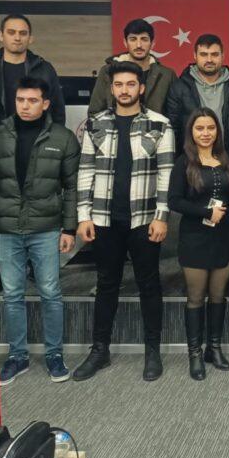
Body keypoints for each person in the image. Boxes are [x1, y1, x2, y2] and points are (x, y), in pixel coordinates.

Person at [72, 62, 174, 383]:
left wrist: (162, 216)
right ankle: (99, 350)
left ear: (141, 88)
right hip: (105, 219)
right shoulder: (95, 124)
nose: (125, 90)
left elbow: (166, 174)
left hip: (144, 220)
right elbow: (85, 171)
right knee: (106, 284)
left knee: (149, 285)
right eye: (119, 85)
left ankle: (152, 351)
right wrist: (83, 216)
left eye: (131, 84)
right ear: (111, 88)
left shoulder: (160, 124)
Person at [0, 77, 79, 385]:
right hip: (6, 228)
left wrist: (69, 228)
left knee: (50, 292)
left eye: (32, 101)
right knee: (12, 294)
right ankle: (17, 356)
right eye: (20, 100)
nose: (25, 106)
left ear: (45, 104)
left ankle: (54, 354)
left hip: (46, 227)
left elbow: (72, 188)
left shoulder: (62, 138)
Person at [0, 14, 67, 295]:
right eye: (11, 32)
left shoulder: (44, 68)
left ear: (30, 37)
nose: (17, 37)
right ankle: (0, 271)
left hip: (37, 149)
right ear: (1, 35)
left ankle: (34, 267)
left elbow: (58, 110)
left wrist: (56, 145)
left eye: (23, 33)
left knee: (37, 208)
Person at [168, 108, 229, 381]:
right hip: (195, 239)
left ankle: (213, 349)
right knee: (196, 297)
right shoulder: (183, 162)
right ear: (191, 132)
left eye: (210, 128)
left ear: (217, 131)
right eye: (200, 128)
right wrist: (206, 212)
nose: (206, 133)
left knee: (218, 295)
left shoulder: (227, 159)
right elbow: (174, 201)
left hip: (224, 238)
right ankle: (194, 354)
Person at [165, 33, 229, 149]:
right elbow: (172, 129)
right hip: (191, 156)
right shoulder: (179, 88)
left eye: (214, 54)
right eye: (204, 54)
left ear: (222, 56)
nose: (209, 60)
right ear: (195, 56)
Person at [89, 18, 177, 115]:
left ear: (152, 44)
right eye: (133, 39)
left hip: (156, 125)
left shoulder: (167, 75)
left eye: (144, 39)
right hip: (115, 125)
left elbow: (174, 115)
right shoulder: (107, 71)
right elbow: (95, 113)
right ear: (125, 42)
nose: (139, 45)